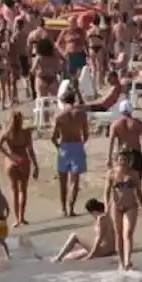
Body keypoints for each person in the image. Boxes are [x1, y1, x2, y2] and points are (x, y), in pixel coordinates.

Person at [104, 149, 142, 271]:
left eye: (125, 160)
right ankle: (121, 262)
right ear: (116, 161)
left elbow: (139, 191)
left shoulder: (133, 174)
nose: (123, 162)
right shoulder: (111, 173)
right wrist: (106, 206)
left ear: (129, 161)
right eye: (121, 159)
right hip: (116, 207)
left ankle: (128, 261)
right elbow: (106, 191)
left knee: (127, 233)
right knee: (118, 234)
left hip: (131, 206)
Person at [51, 88, 89, 216]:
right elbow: (86, 135)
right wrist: (80, 144)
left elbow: (53, 137)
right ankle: (71, 208)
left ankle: (63, 209)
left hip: (64, 146)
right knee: (75, 180)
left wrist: (58, 146)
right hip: (77, 145)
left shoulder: (60, 116)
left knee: (63, 181)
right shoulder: (81, 114)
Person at [0, 110, 37, 226]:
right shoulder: (26, 133)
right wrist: (35, 165)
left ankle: (16, 219)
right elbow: (30, 151)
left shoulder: (7, 133)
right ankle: (21, 217)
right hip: (23, 161)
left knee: (14, 191)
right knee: (23, 191)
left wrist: (9, 155)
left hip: (11, 162)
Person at [50, 198, 116, 262]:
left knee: (74, 236)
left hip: (103, 250)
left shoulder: (101, 218)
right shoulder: (108, 215)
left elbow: (99, 238)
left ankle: (57, 259)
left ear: (93, 211)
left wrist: (91, 255)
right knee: (71, 256)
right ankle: (53, 258)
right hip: (109, 249)